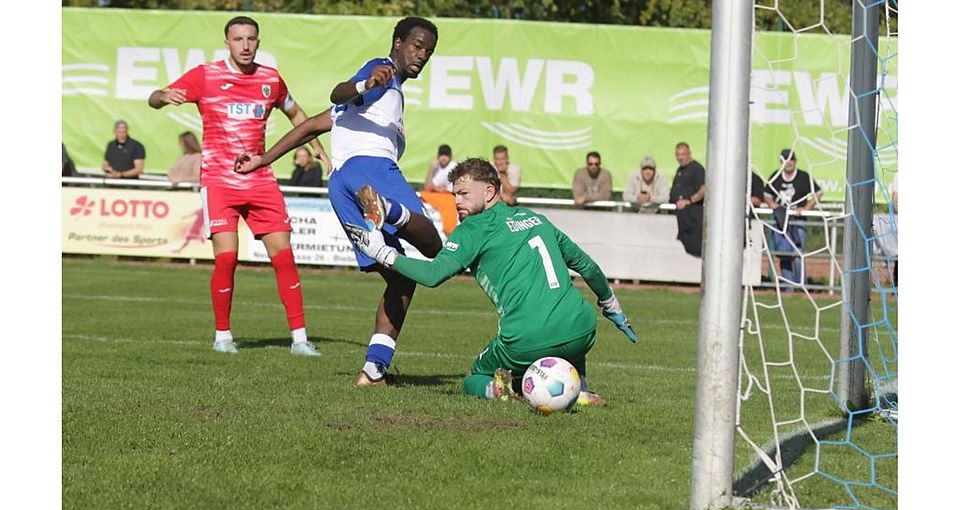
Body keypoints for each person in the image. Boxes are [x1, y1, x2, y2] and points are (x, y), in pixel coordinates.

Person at [234, 16, 443, 384]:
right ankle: (389, 213)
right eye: (416, 45)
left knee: (402, 279)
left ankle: (373, 370)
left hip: (342, 184)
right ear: (397, 42)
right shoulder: (384, 72)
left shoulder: (373, 101)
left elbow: (312, 125)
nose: (422, 54)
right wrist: (366, 81)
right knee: (434, 247)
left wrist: (264, 159)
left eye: (428, 50)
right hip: (371, 172)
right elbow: (339, 91)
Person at [344, 158, 637, 405]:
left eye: (464, 194)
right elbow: (587, 266)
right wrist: (612, 307)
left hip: (525, 339)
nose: (457, 201)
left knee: (476, 377)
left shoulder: (473, 229)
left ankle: (512, 392)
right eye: (454, 194)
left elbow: (433, 276)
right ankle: (580, 390)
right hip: (584, 330)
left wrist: (382, 253)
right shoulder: (535, 218)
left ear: (489, 191)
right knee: (567, 330)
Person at [147, 15, 329, 356]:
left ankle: (300, 340)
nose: (245, 45)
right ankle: (223, 337)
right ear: (227, 43)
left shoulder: (270, 79)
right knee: (227, 260)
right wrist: (160, 95)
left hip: (260, 179)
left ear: (258, 42)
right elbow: (155, 100)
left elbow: (295, 113)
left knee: (285, 257)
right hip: (218, 181)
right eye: (238, 39)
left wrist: (316, 146)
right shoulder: (206, 75)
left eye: (251, 39)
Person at [764, 149, 822, 289]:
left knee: (797, 252)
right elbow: (766, 194)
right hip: (780, 220)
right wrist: (773, 205)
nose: (788, 163)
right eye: (785, 160)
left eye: (791, 160)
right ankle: (788, 288)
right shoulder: (776, 176)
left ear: (795, 161)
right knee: (783, 254)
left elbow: (818, 193)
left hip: (797, 221)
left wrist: (806, 208)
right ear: (781, 162)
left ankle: (801, 286)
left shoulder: (803, 177)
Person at [669, 142, 706, 257]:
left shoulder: (697, 169)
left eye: (683, 154)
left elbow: (704, 189)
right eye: (678, 155)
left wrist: (689, 201)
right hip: (680, 218)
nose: (680, 158)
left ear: (689, 154)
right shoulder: (680, 170)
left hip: (693, 219)